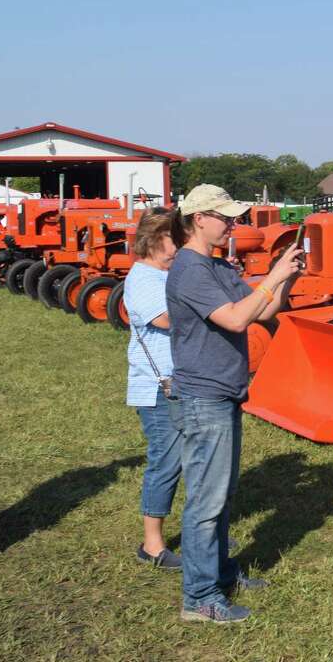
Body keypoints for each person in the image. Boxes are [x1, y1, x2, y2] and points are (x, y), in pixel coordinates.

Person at [165, 184, 302, 624]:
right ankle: (200, 598)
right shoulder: (190, 270)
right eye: (225, 217)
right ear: (198, 219)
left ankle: (220, 573)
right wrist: (275, 276)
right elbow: (235, 318)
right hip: (203, 397)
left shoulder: (218, 266)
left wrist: (288, 278)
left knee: (220, 496)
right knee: (205, 502)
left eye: (233, 217)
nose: (232, 224)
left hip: (223, 393)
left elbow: (262, 312)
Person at [124, 209, 181, 570]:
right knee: (166, 461)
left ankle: (200, 531)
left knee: (193, 460)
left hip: (179, 382)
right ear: (154, 241)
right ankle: (152, 544)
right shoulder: (143, 278)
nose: (180, 247)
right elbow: (165, 319)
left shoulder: (166, 275)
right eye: (175, 239)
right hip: (159, 388)